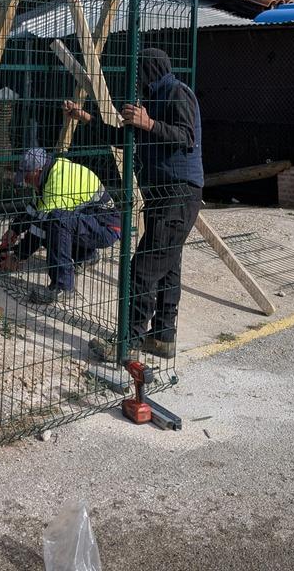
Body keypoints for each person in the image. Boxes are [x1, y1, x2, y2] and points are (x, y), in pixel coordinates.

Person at [63, 47, 203, 359]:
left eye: (139, 72)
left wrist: (148, 123)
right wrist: (85, 118)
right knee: (167, 269)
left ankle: (128, 342)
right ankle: (162, 338)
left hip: (178, 195)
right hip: (163, 195)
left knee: (142, 268)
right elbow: (122, 137)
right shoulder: (152, 101)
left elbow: (186, 137)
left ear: (150, 71)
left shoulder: (177, 93)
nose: (135, 80)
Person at [0, 147, 122, 305]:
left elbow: (40, 229)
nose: (25, 181)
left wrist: (18, 256)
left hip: (106, 228)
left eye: (27, 176)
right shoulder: (50, 174)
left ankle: (63, 286)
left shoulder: (59, 180)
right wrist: (14, 229)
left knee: (55, 222)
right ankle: (86, 256)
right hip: (92, 223)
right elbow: (35, 209)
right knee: (55, 222)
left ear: (37, 170)